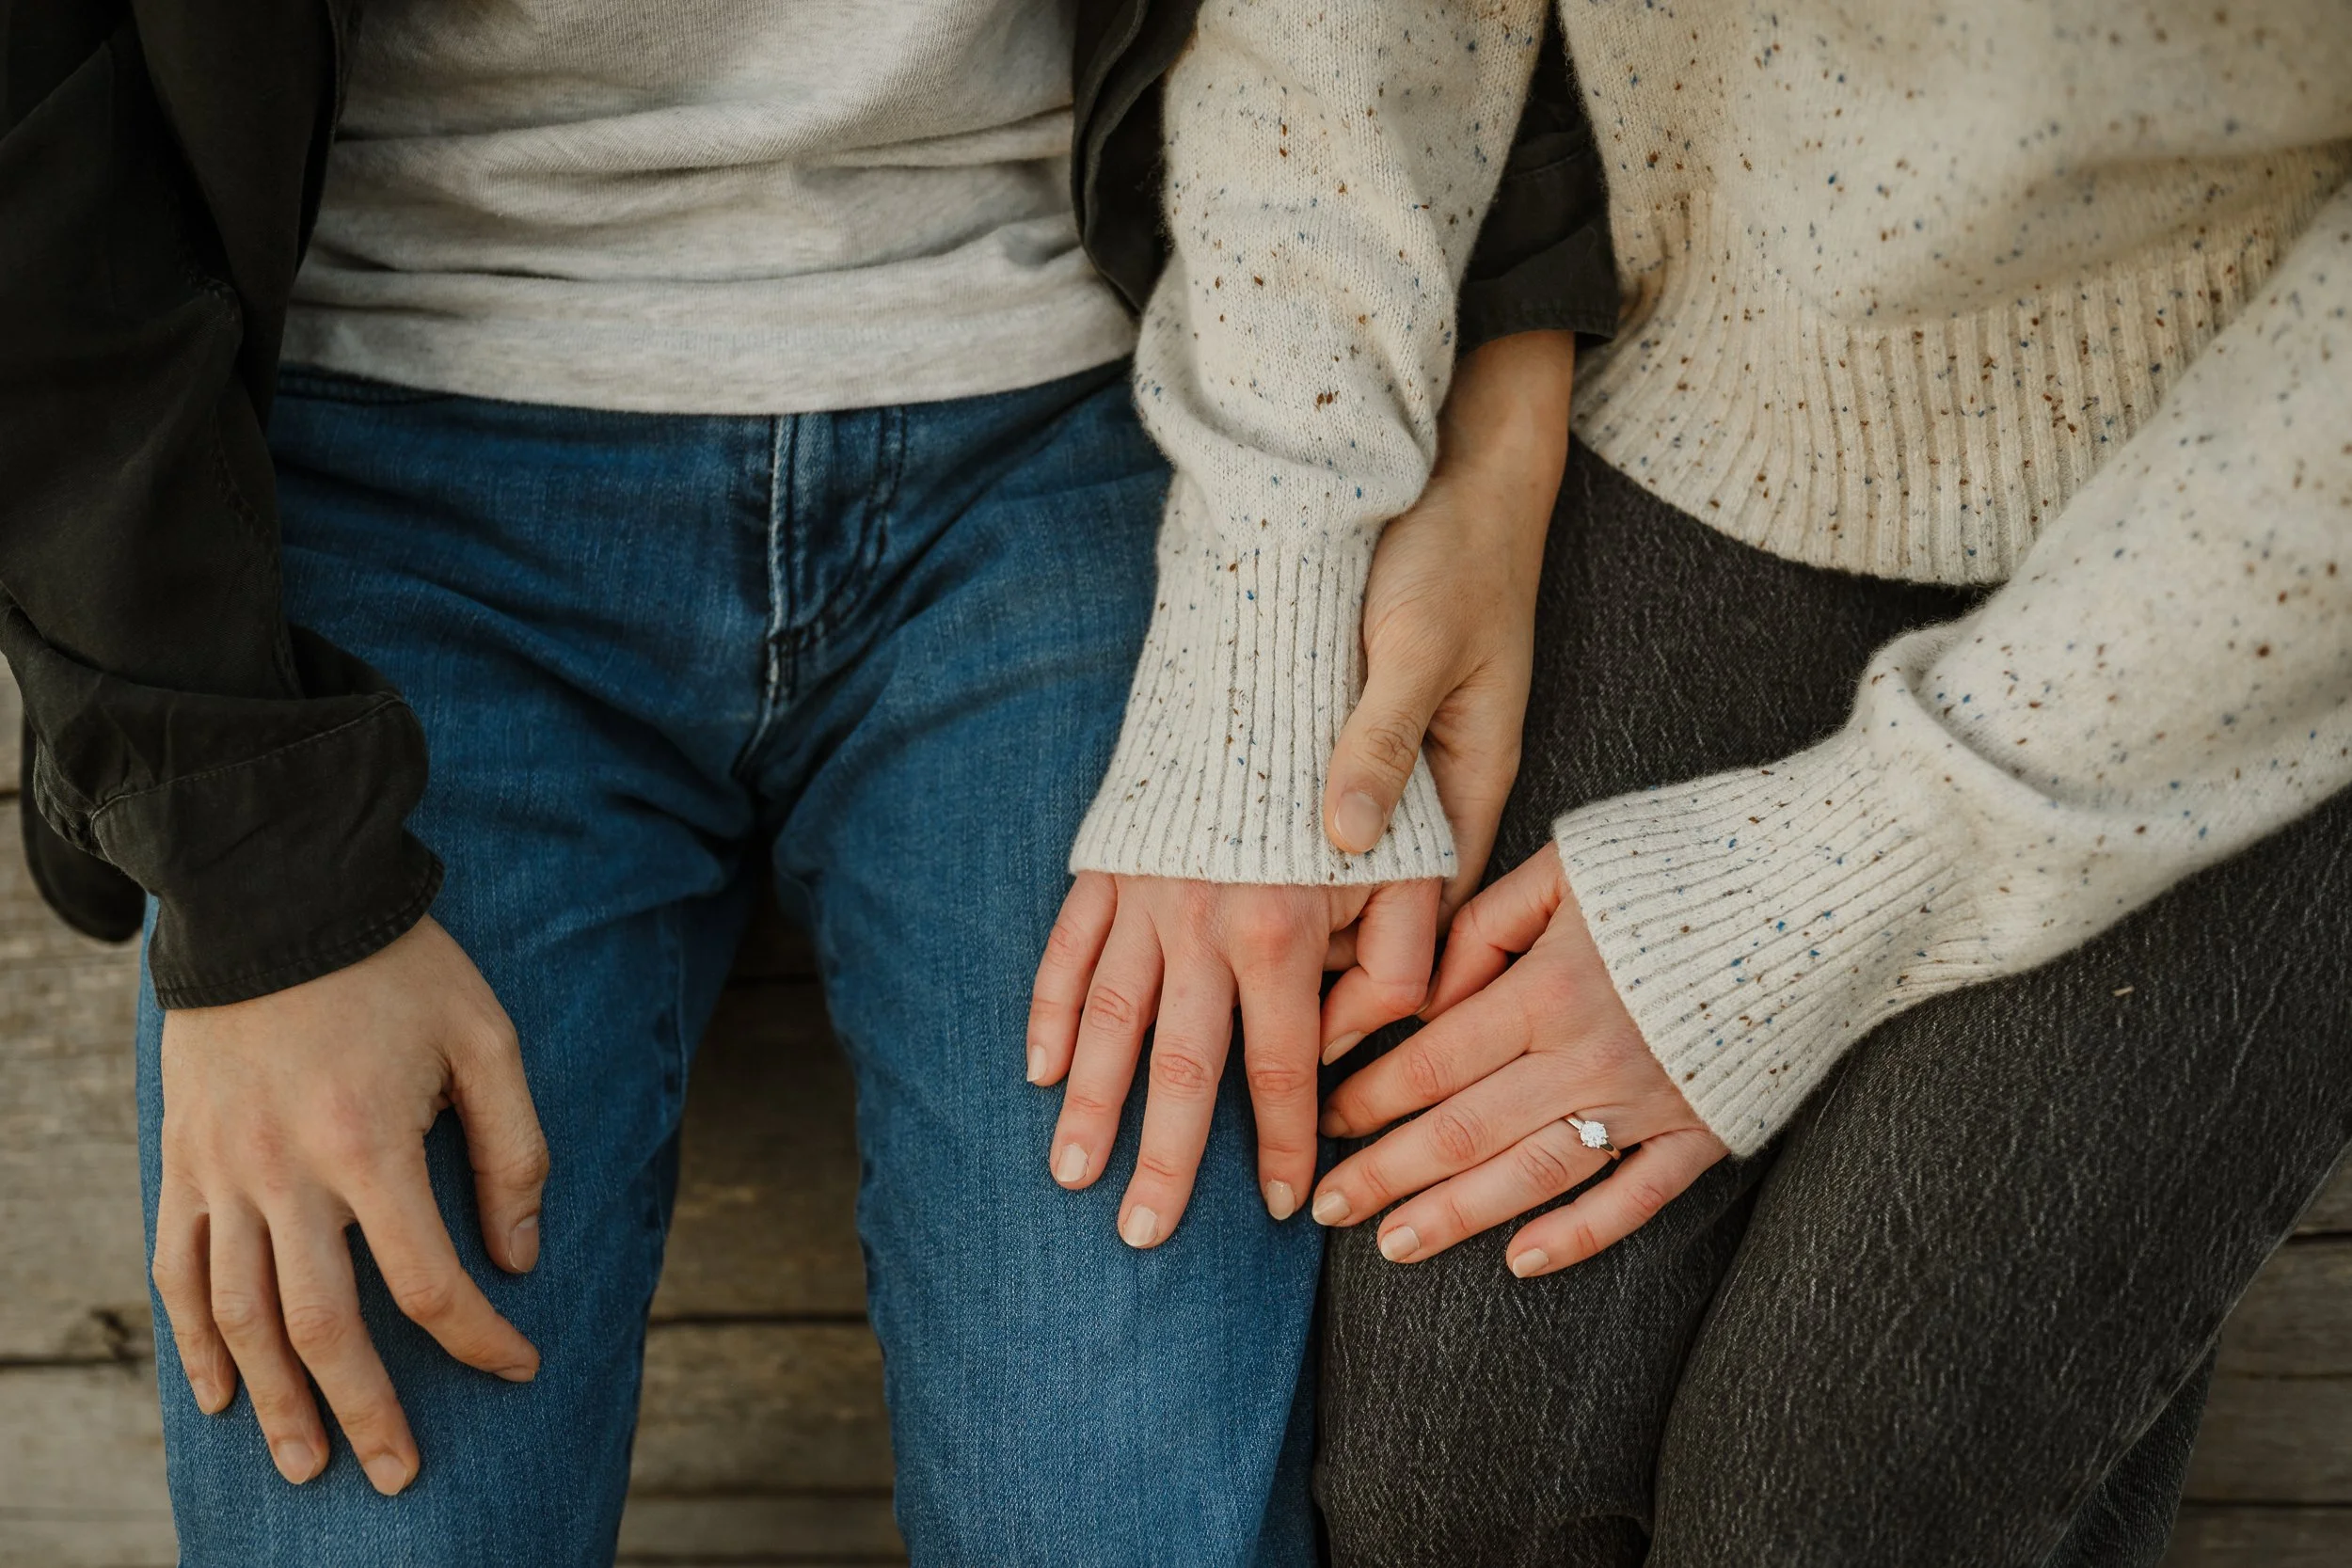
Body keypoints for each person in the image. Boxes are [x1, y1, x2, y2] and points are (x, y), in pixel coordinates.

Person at [0, 1, 1590, 1562]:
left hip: (1080, 393)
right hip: (388, 430)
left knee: (1120, 1515)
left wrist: (1383, 499)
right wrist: (255, 874)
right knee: (369, 1513)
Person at [1087, 0, 2352, 1562]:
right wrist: (1274, 585)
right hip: (1715, 372)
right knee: (1446, 1468)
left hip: (2282, 588)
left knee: (1826, 1499)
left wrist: (1834, 888)